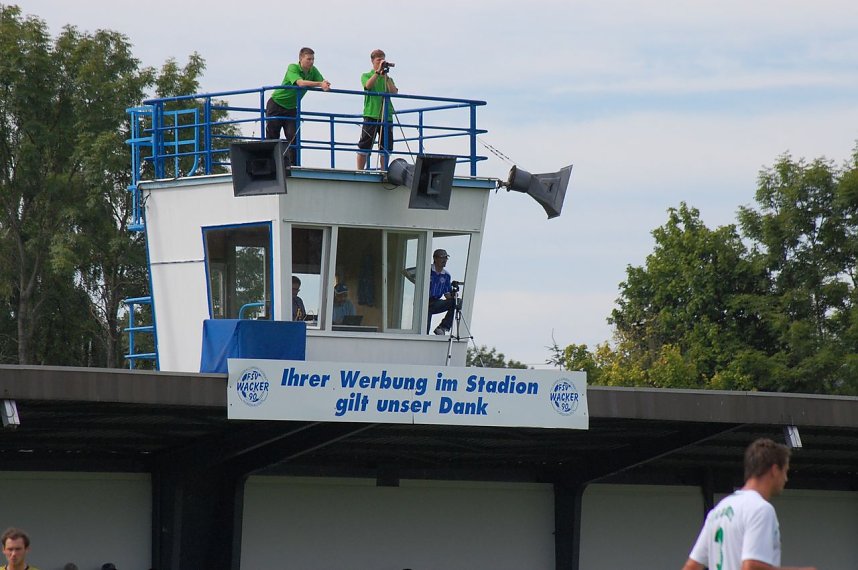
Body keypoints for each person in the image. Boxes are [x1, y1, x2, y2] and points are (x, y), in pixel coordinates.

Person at [681, 438, 817, 570]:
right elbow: (751, 566)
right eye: (785, 472)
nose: (786, 478)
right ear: (775, 470)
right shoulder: (760, 509)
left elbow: (691, 567)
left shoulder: (718, 511)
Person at [266, 47, 332, 166]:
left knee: (293, 137)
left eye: (313, 59)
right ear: (301, 59)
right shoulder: (293, 67)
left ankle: (293, 166)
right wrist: (319, 84)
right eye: (308, 59)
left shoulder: (313, 71)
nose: (311, 62)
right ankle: (271, 165)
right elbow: (300, 83)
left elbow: (323, 82)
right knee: (272, 137)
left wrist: (325, 84)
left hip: (291, 108)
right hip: (276, 104)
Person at [356, 49, 398, 170]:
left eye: (382, 60)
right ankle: (359, 170)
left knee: (386, 146)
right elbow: (368, 85)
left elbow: (394, 92)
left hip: (386, 115)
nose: (381, 62)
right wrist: (377, 72)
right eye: (378, 60)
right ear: (373, 61)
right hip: (371, 114)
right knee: (365, 144)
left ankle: (384, 170)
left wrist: (386, 75)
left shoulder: (388, 79)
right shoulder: (366, 75)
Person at [428, 248, 456, 335]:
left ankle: (443, 327)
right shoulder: (427, 270)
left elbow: (447, 294)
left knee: (456, 302)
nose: (444, 260)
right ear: (435, 259)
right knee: (424, 331)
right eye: (442, 258)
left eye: (446, 258)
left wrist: (454, 296)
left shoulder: (446, 275)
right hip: (423, 302)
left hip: (435, 302)